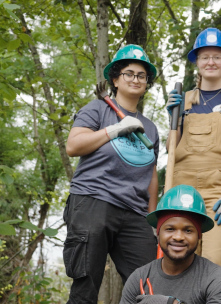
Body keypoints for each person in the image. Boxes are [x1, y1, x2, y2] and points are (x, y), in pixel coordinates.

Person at [64, 44, 160, 303]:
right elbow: (73, 146)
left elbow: (151, 175)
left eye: (141, 75)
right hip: (93, 201)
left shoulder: (150, 128)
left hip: (135, 212)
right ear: (116, 79)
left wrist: (153, 218)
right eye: (129, 73)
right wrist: (115, 130)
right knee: (86, 285)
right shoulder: (97, 109)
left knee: (150, 285)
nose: (136, 79)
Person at [165, 27, 221, 270]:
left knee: (213, 263)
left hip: (219, 191)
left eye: (217, 56)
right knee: (180, 262)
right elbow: (172, 149)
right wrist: (172, 118)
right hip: (181, 189)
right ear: (197, 61)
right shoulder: (183, 99)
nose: (211, 62)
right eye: (205, 57)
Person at [119, 185, 221, 304]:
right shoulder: (139, 278)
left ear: (199, 236)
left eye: (188, 230)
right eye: (170, 229)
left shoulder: (214, 278)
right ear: (158, 233)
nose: (178, 237)